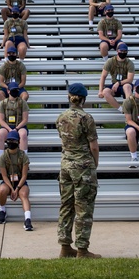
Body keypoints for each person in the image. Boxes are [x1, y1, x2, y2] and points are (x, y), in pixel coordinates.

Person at [56, 83, 100, 258]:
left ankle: (65, 247)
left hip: (66, 166)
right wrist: (94, 164)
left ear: (69, 97)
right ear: (83, 99)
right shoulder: (86, 118)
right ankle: (82, 249)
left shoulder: (60, 117)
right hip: (83, 167)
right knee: (84, 207)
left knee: (66, 206)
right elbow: (94, 147)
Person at [0, 130, 33, 230]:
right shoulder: (3, 157)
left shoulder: (23, 156)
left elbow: (24, 175)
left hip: (20, 181)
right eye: (9, 140)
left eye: (14, 140)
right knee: (2, 190)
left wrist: (17, 189)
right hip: (8, 181)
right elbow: (4, 176)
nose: (11, 143)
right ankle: (2, 211)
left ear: (18, 142)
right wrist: (11, 189)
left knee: (24, 194)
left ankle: (28, 219)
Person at [0, 83, 30, 156]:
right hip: (7, 126)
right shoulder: (3, 103)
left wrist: (16, 128)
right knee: (0, 135)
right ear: (8, 91)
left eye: (16, 90)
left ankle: (23, 161)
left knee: (23, 134)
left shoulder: (23, 103)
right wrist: (9, 129)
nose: (15, 91)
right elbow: (1, 120)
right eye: (13, 90)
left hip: (20, 126)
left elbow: (25, 119)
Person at [99, 42, 135, 109]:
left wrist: (119, 83)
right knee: (105, 92)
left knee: (127, 86)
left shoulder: (129, 63)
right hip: (115, 85)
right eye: (121, 51)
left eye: (125, 51)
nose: (123, 52)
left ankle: (128, 109)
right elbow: (103, 76)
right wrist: (100, 91)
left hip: (125, 84)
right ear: (117, 51)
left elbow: (130, 79)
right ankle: (121, 109)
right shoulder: (111, 61)